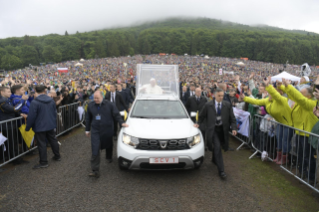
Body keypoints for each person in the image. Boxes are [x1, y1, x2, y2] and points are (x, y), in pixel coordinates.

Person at [242, 76, 293, 165]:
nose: (268, 95)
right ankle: (279, 156)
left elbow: (276, 95)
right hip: (280, 122)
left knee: (285, 141)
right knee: (279, 140)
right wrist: (245, 98)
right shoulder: (267, 101)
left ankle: (285, 158)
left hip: (288, 124)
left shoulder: (281, 100)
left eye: (270, 94)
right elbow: (257, 102)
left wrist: (269, 85)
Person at [280, 78, 318, 182]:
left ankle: (311, 178)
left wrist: (289, 86)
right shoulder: (302, 102)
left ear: (309, 96)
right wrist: (284, 86)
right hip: (300, 133)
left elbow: (297, 97)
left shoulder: (311, 104)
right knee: (300, 155)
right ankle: (302, 172)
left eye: (302, 93)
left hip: (308, 135)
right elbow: (293, 96)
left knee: (308, 157)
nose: (299, 95)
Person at [195, 88, 237, 179]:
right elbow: (201, 116)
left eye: (222, 95)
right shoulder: (208, 105)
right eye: (219, 96)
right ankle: (221, 170)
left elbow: (232, 118)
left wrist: (234, 128)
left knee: (219, 146)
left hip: (222, 130)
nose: (221, 97)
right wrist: (198, 123)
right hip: (212, 129)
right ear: (214, 95)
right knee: (217, 146)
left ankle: (214, 159)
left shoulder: (227, 105)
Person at [85, 91, 128, 178]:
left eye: (98, 98)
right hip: (95, 130)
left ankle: (109, 156)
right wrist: (87, 130)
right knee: (95, 148)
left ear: (102, 97)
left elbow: (116, 115)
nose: (96, 100)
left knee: (108, 143)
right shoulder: (90, 105)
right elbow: (88, 118)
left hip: (107, 129)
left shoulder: (110, 104)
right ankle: (95, 170)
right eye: (95, 98)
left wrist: (121, 123)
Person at [25, 85, 61, 169]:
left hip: (40, 126)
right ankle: (57, 156)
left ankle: (44, 162)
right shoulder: (51, 100)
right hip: (50, 124)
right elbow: (54, 112)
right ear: (44, 91)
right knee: (53, 140)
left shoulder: (35, 102)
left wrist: (28, 127)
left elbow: (31, 116)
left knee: (41, 144)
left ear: (35, 91)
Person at [0, 86, 28, 164]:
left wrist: (20, 114)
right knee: (12, 143)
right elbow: (14, 109)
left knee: (13, 142)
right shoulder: (2, 101)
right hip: (7, 125)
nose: (10, 93)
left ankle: (14, 158)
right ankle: (15, 159)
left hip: (9, 124)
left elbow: (12, 111)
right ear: (2, 92)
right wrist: (22, 100)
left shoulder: (6, 100)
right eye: (8, 92)